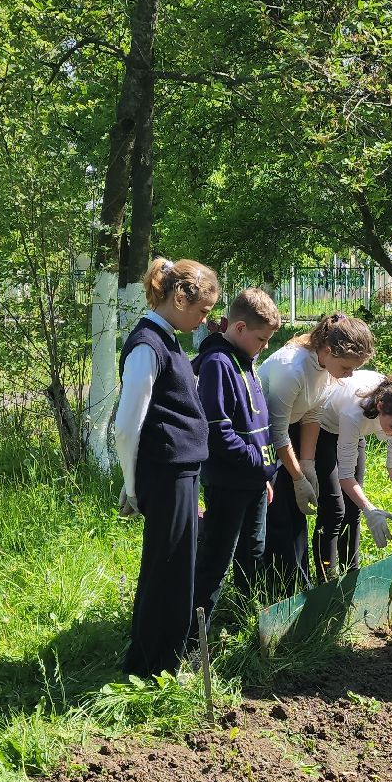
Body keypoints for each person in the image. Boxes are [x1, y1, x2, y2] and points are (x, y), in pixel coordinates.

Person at [113, 257, 221, 677]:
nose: (202, 321)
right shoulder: (147, 344)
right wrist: (132, 486)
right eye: (201, 311)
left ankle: (159, 659)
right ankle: (153, 666)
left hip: (180, 471)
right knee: (169, 568)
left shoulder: (168, 338)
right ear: (179, 297)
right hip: (165, 472)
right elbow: (126, 426)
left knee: (174, 566)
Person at [259, 311, 376, 593]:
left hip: (292, 435)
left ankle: (302, 584)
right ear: (328, 350)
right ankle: (278, 589)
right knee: (283, 517)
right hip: (260, 440)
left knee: (297, 519)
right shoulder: (293, 369)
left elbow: (313, 414)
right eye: (347, 367)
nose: (350, 375)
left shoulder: (324, 369)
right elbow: (276, 431)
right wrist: (298, 478)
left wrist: (307, 464)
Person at [192, 287, 282, 623]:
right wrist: (259, 466)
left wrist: (263, 475)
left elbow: (257, 424)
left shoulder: (246, 360)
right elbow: (219, 432)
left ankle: (245, 620)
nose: (265, 346)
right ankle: (191, 640)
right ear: (240, 329)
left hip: (254, 481)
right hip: (230, 482)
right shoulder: (218, 364)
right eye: (262, 338)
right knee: (217, 559)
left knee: (253, 551)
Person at [312, 372, 392, 577]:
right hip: (324, 426)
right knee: (334, 510)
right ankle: (327, 578)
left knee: (354, 509)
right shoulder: (354, 413)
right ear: (380, 407)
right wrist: (371, 510)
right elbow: (345, 476)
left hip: (357, 431)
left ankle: (351, 574)